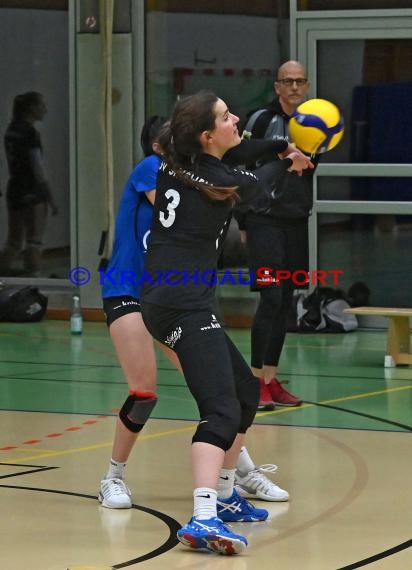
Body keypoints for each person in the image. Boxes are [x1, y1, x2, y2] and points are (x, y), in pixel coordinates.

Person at [140, 91, 312, 555]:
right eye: (226, 116)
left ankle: (226, 495)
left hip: (181, 298)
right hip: (179, 304)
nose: (236, 118)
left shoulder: (185, 157)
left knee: (243, 394)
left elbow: (243, 151)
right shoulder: (210, 175)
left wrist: (280, 145)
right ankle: (202, 516)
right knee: (220, 410)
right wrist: (289, 160)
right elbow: (252, 186)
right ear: (206, 135)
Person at [98, 116, 292, 511]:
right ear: (160, 145)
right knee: (145, 390)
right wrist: (269, 166)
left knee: (218, 386)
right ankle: (112, 477)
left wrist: (276, 149)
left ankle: (239, 471)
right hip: (131, 290)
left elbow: (228, 168)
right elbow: (204, 195)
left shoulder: (190, 169)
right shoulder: (156, 170)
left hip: (174, 295)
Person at [235, 60, 320, 410]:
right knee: (270, 296)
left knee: (286, 301)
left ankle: (271, 379)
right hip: (263, 219)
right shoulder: (259, 121)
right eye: (288, 81)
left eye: (300, 81)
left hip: (296, 221)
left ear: (307, 85)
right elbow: (240, 165)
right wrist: (243, 221)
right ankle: (254, 382)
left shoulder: (316, 123)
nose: (295, 87)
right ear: (277, 87)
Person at [0, 92, 58, 276]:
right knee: (34, 240)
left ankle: (3, 275)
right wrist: (50, 198)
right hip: (33, 191)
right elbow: (37, 168)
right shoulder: (30, 133)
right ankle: (34, 280)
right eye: (42, 105)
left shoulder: (11, 130)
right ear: (31, 108)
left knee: (13, 241)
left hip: (15, 188)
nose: (45, 109)